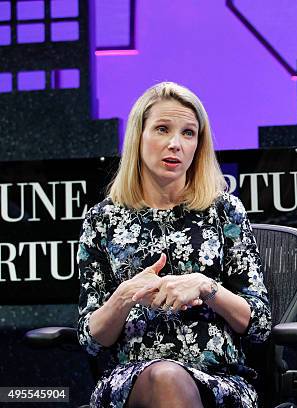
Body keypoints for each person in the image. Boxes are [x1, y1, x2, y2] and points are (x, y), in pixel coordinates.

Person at [77, 82, 271, 407]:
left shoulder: (224, 211)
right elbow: (91, 340)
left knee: (171, 378)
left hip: (218, 379)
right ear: (138, 136)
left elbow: (260, 324)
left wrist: (206, 287)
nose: (175, 144)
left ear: (199, 145)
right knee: (164, 377)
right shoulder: (102, 220)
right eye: (162, 129)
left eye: (188, 133)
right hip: (131, 381)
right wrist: (125, 295)